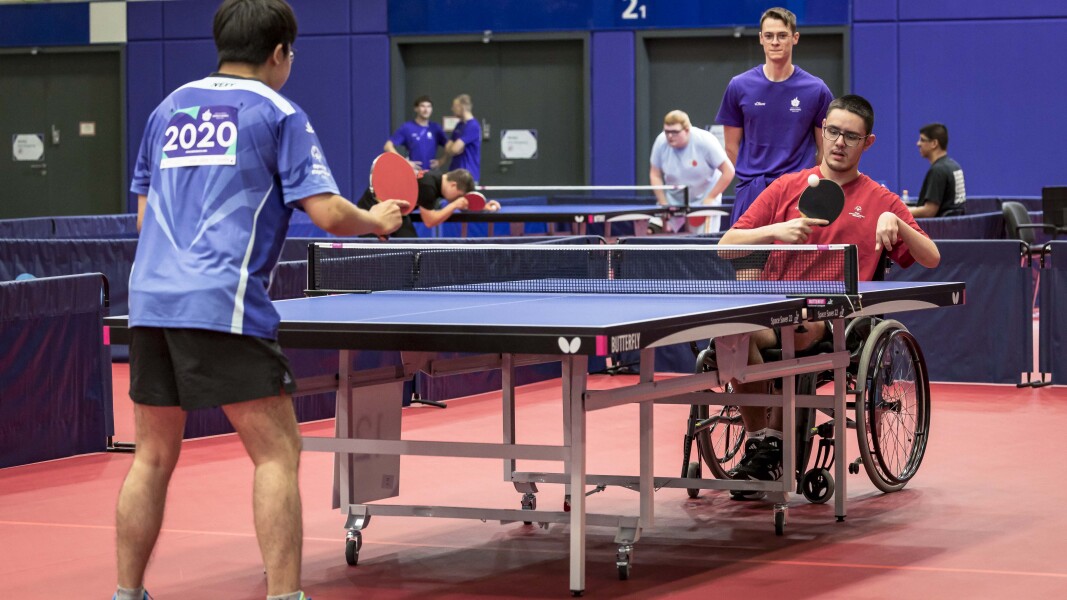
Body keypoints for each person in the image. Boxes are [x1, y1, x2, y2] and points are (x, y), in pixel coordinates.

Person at [116, 2, 406, 599]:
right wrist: (377, 220)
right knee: (277, 453)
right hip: (222, 302)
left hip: (149, 301)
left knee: (150, 458)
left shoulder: (167, 109)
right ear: (279, 53)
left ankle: (126, 593)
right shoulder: (279, 113)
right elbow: (327, 213)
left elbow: (145, 216)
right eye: (291, 55)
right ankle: (285, 596)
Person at [718, 94, 940, 497]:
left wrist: (899, 222)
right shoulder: (785, 187)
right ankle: (764, 443)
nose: (839, 142)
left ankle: (773, 448)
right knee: (731, 332)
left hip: (833, 318)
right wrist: (775, 232)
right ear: (822, 132)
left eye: (850, 136)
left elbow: (931, 257)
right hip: (772, 309)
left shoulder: (881, 201)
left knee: (797, 329)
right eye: (832, 132)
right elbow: (727, 245)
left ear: (867, 142)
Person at [715, 7, 834, 227]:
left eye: (782, 35)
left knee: (795, 262)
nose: (775, 42)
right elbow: (731, 148)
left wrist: (801, 181)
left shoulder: (817, 90)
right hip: (752, 192)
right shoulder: (739, 86)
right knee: (748, 261)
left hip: (797, 193)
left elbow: (824, 150)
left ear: (795, 38)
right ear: (761, 39)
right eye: (769, 36)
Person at [648, 109, 734, 233]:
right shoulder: (661, 141)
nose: (670, 136)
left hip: (704, 199)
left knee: (703, 244)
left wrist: (710, 197)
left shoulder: (705, 141)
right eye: (667, 131)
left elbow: (728, 171)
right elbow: (654, 174)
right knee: (653, 231)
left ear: (687, 130)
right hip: (673, 199)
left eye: (675, 132)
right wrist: (663, 202)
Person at [356, 168, 498, 237]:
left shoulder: (437, 177)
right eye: (458, 196)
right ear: (453, 185)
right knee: (370, 251)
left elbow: (465, 203)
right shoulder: (429, 187)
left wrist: (484, 207)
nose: (456, 199)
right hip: (372, 208)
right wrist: (454, 205)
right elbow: (430, 221)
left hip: (397, 210)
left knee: (410, 246)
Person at [909, 123, 966, 218]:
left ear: (934, 143)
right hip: (955, 228)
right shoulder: (955, 166)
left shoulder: (938, 171)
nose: (918, 144)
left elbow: (929, 211)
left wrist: (901, 212)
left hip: (941, 230)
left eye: (922, 140)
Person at [383, 95, 446, 170]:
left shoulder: (435, 128)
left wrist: (441, 161)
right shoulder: (407, 127)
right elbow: (387, 146)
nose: (426, 110)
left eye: (429, 106)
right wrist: (404, 162)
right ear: (416, 109)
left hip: (431, 172)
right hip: (414, 172)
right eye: (422, 106)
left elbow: (450, 147)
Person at [441, 94, 481, 182]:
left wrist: (454, 148)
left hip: (467, 176)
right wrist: (454, 149)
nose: (452, 109)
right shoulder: (459, 125)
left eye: (454, 106)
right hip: (454, 173)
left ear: (462, 107)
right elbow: (448, 147)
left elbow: (454, 149)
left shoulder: (473, 126)